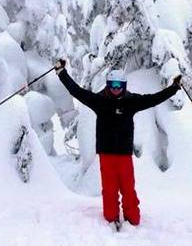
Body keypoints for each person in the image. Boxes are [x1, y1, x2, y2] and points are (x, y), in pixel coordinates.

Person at [54, 59, 182, 227]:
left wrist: (173, 89)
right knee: (109, 190)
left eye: (119, 85)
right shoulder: (99, 101)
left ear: (124, 85)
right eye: (112, 85)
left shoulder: (131, 101)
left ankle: (132, 219)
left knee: (128, 189)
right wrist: (61, 72)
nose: (116, 89)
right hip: (106, 155)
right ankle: (111, 218)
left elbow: (154, 99)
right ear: (108, 85)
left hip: (124, 155)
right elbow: (76, 91)